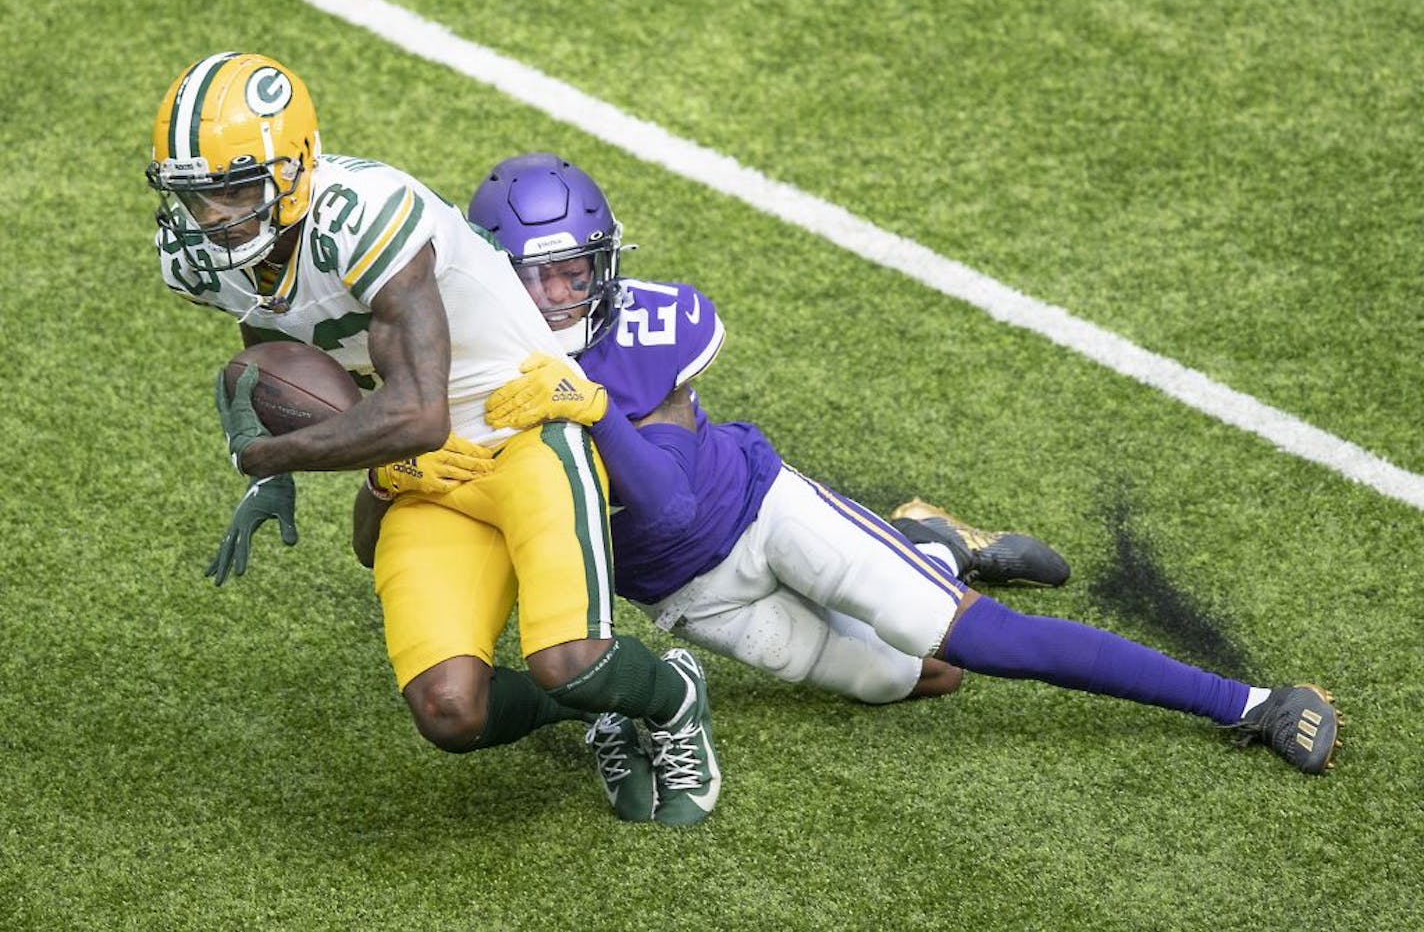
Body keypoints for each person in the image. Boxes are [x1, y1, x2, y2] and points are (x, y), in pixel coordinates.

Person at [457, 153, 1342, 811]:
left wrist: (592, 406)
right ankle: (933, 540)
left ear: (605, 263)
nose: (558, 297)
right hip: (693, 599)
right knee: (907, 679)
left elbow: (673, 500)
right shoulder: (471, 373)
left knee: (973, 642)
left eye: (574, 271)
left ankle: (1252, 702)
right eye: (533, 276)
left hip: (763, 511)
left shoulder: (652, 328)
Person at [146, 54, 720, 827]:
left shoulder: (366, 215)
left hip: (525, 427)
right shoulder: (201, 260)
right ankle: (596, 713)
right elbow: (278, 342)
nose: (215, 219)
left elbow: (415, 413)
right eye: (196, 196)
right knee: (450, 710)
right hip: (424, 467)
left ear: (299, 165)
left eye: (237, 190)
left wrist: (267, 453)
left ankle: (675, 696)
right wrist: (279, 468)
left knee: (570, 658)